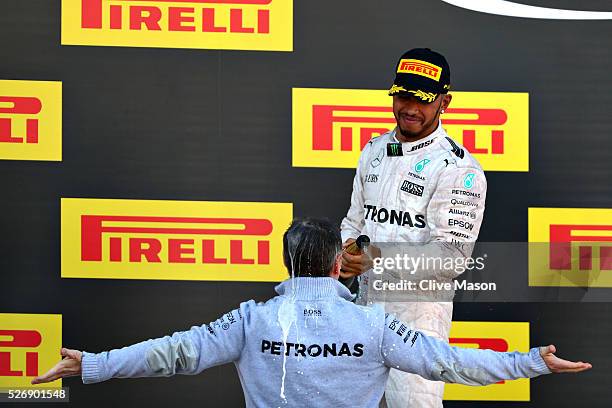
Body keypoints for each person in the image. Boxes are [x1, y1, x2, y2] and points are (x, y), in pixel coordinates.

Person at [32, 218, 590, 407]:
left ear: (286, 262)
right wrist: (533, 362)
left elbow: (173, 354)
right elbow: (450, 364)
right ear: (336, 266)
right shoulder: (374, 323)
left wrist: (93, 365)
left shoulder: (251, 319)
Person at [340, 48, 488, 407]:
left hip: (418, 321)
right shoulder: (373, 150)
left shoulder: (458, 169)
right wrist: (347, 253)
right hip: (364, 312)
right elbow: (354, 221)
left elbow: (451, 257)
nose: (410, 108)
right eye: (403, 95)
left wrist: (376, 258)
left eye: (422, 100)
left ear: (444, 102)